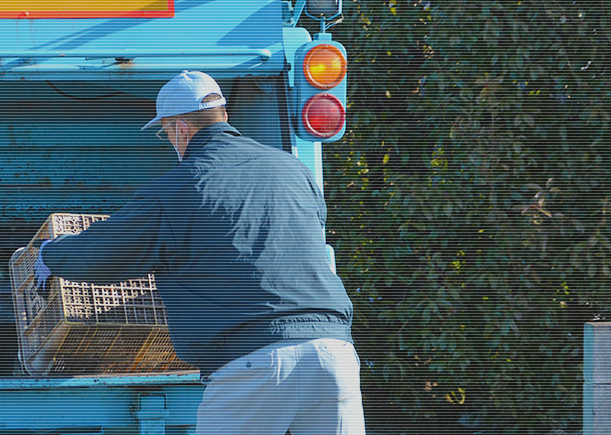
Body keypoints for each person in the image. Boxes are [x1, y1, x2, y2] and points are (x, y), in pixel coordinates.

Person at [33, 70, 365, 435]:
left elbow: (104, 251)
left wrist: (51, 255)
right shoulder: (295, 170)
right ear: (223, 115)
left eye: (165, 133)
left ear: (179, 128)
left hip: (254, 364)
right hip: (336, 355)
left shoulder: (176, 189)